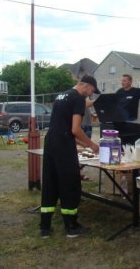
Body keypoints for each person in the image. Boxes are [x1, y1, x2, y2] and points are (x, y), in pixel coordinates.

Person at [40, 75, 101, 238]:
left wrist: (80, 143)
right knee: (70, 183)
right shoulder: (78, 99)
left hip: (50, 140)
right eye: (91, 92)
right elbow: (75, 129)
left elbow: (61, 124)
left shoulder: (61, 96)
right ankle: (72, 226)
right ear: (86, 86)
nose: (90, 95)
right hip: (63, 144)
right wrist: (92, 145)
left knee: (50, 181)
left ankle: (44, 227)